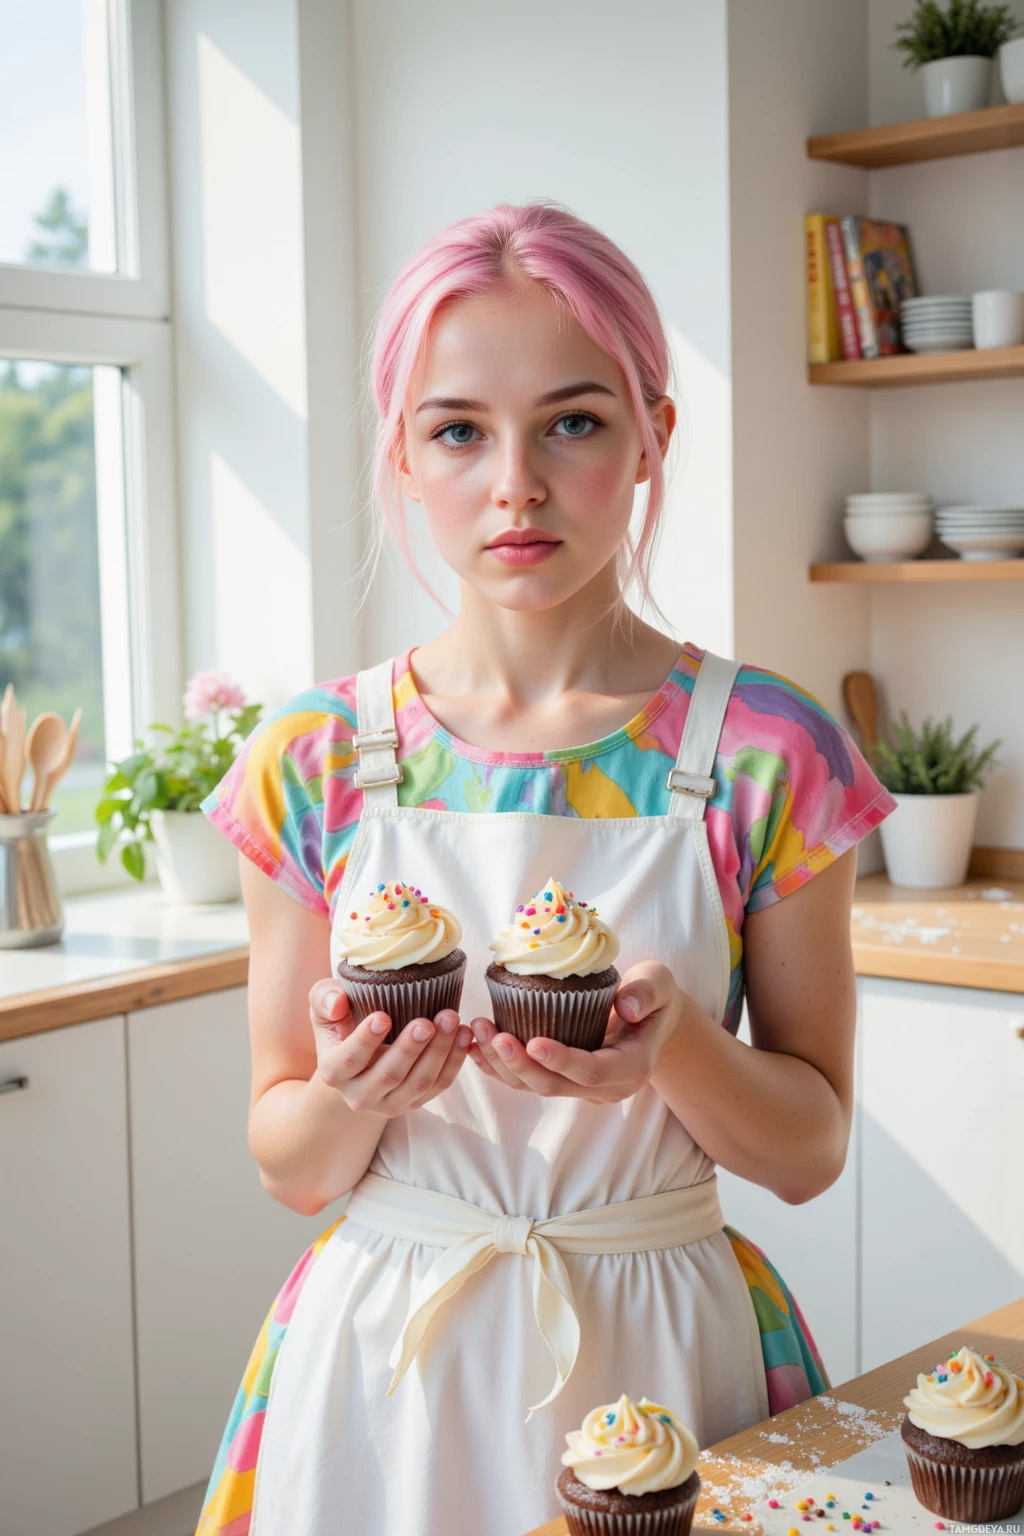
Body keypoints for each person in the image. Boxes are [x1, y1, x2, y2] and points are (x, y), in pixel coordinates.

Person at [195, 200, 894, 1536]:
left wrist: (674, 1048)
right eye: (458, 430)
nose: (514, 483)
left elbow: (811, 1151)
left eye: (572, 421)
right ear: (403, 457)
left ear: (652, 438)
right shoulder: (315, 758)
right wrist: (348, 1092)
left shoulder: (767, 751)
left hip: (666, 1339)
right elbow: (289, 1161)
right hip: (380, 1359)